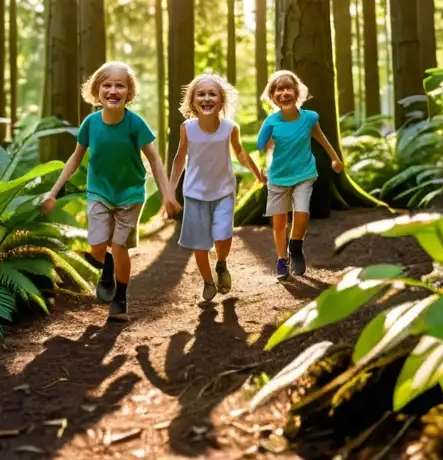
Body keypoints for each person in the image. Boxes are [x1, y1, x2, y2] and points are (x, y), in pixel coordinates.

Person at [41, 61, 180, 322]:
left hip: (130, 194)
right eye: (107, 85)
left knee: (119, 247)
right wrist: (53, 192)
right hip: (99, 191)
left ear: (129, 92)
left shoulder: (135, 123)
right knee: (97, 247)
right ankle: (104, 266)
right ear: (97, 91)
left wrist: (167, 194)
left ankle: (121, 299)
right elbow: (73, 159)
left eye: (120, 85)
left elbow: (155, 160)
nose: (113, 90)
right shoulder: (91, 124)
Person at [170, 73, 264, 303]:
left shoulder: (230, 128)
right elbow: (180, 157)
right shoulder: (187, 128)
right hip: (194, 192)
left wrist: (257, 173)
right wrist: (169, 190)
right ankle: (208, 281)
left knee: (223, 234)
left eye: (212, 94)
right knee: (200, 243)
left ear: (221, 101)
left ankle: (221, 264)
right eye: (201, 94)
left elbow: (240, 153)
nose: (206, 98)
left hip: (223, 190)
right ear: (193, 102)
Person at [256, 70, 344, 279]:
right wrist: (264, 146)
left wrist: (335, 158)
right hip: (278, 177)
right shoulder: (271, 122)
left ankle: (295, 247)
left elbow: (321, 138)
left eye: (289, 88)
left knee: (302, 213)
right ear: (272, 96)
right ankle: (280, 259)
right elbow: (261, 146)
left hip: (304, 173)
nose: (284, 93)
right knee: (279, 222)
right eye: (279, 89)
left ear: (297, 93)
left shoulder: (309, 118)